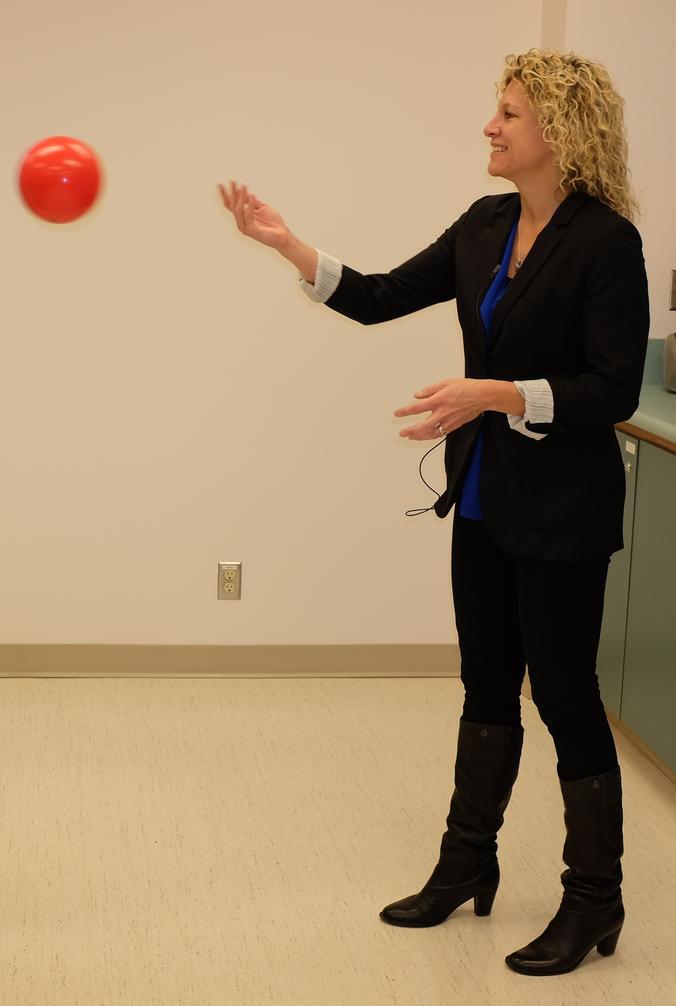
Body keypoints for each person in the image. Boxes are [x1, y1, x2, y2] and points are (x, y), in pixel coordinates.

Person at [220, 49, 648, 976]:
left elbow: (610, 387)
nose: (490, 128)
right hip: (488, 500)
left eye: (508, 114)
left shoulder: (606, 242)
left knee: (567, 699)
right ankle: (466, 866)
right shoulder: (488, 223)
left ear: (562, 136)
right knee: (485, 686)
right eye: (495, 112)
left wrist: (494, 394)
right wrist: (289, 246)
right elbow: (377, 298)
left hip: (565, 510)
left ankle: (593, 900)